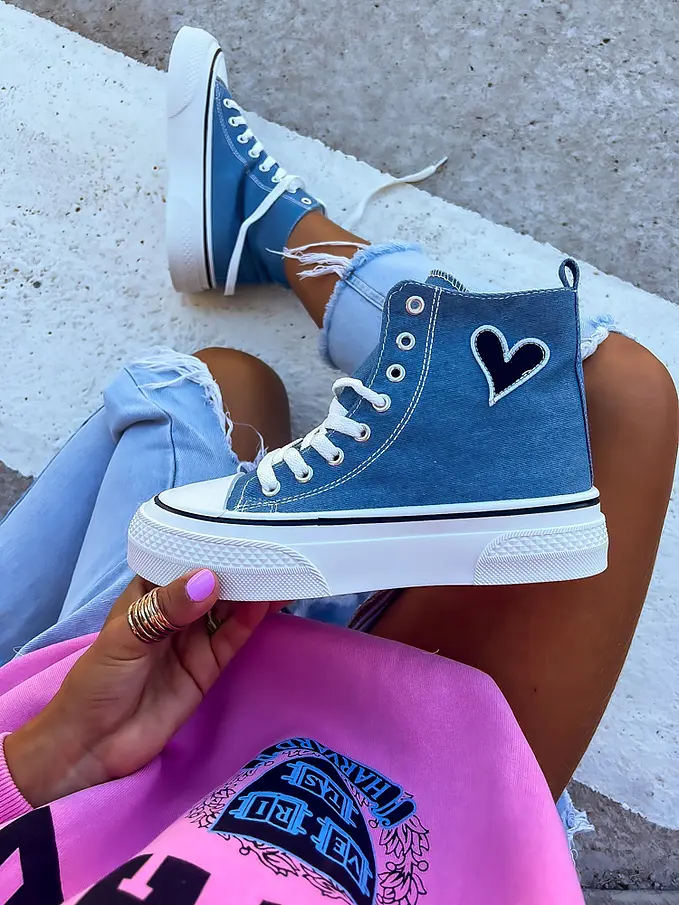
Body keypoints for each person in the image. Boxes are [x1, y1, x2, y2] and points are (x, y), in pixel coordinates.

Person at [0, 24, 676, 905]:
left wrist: (46, 760)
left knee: (221, 386)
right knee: (585, 397)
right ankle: (281, 234)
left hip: (91, 762)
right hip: (406, 824)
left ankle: (271, 240)